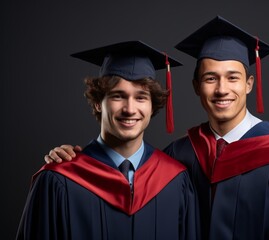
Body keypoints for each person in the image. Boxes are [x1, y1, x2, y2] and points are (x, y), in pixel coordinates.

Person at [44, 16, 269, 239]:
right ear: (196, 86)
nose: (222, 89)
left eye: (232, 78)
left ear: (249, 83)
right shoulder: (180, 157)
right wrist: (73, 160)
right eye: (210, 78)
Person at [16, 40, 198, 240]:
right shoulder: (59, 180)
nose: (130, 109)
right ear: (97, 103)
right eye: (118, 96)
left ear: (152, 106)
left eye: (140, 97)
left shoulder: (174, 180)